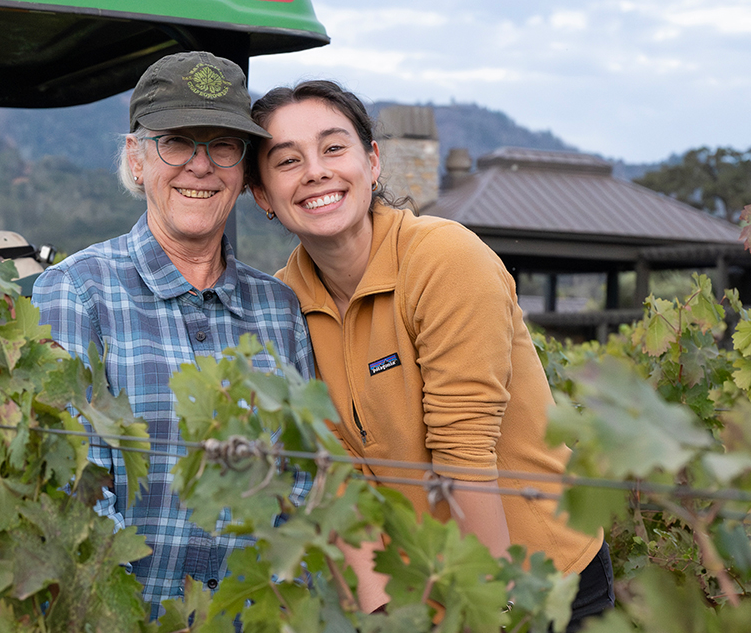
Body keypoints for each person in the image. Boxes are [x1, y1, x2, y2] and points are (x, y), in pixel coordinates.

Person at [247, 80, 614, 630]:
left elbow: (463, 448)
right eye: (287, 161)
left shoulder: (445, 260)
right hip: (419, 595)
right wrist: (384, 612)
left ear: (372, 162)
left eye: (333, 148)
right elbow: (335, 476)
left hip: (538, 581)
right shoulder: (281, 304)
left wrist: (489, 610)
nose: (315, 171)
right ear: (262, 195)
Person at [31, 52, 314, 617]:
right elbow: (68, 489)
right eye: (177, 142)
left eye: (223, 145)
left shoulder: (280, 311)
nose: (201, 166)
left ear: (242, 168)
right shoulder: (75, 293)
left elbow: (304, 488)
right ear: (137, 159)